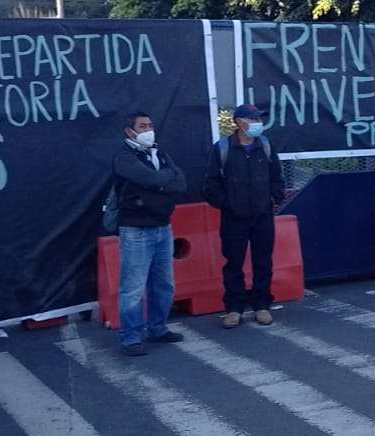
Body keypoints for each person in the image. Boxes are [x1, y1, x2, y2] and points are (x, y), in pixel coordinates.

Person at [202, 103, 283, 329]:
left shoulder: (265, 146)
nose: (258, 123)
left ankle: (262, 306)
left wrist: (274, 198)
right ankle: (234, 309)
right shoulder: (223, 149)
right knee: (233, 263)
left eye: (259, 119)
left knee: (263, 262)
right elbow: (210, 184)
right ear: (239, 122)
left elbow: (277, 176)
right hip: (233, 218)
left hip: (262, 216)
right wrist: (228, 205)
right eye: (253, 119)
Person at [113, 110, 188, 355]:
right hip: (136, 231)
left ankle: (158, 328)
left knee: (164, 284)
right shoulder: (123, 157)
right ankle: (131, 337)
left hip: (163, 228)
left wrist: (160, 180)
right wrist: (162, 180)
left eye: (150, 125)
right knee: (133, 287)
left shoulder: (160, 153)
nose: (148, 129)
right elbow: (148, 179)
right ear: (130, 131)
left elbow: (181, 182)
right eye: (143, 126)